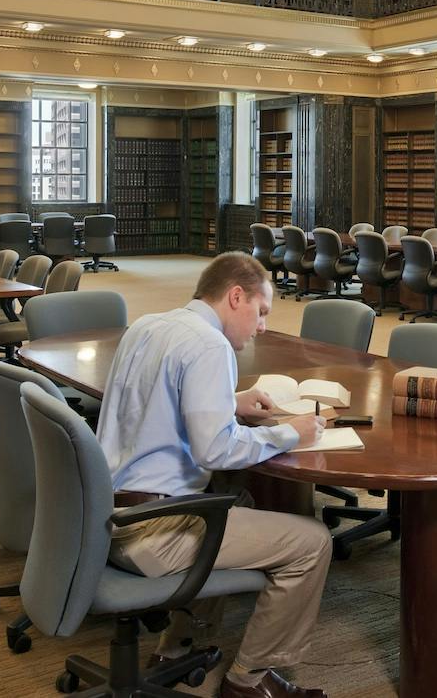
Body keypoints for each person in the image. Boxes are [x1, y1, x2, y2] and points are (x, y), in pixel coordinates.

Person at [96, 251, 331, 698]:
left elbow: (148, 402)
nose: (262, 327)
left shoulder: (149, 324)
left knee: (236, 503)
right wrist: (288, 433)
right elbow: (216, 449)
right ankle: (250, 681)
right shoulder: (209, 345)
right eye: (260, 313)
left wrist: (230, 401)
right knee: (313, 542)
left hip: (108, 516)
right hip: (155, 531)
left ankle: (178, 646)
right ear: (235, 296)